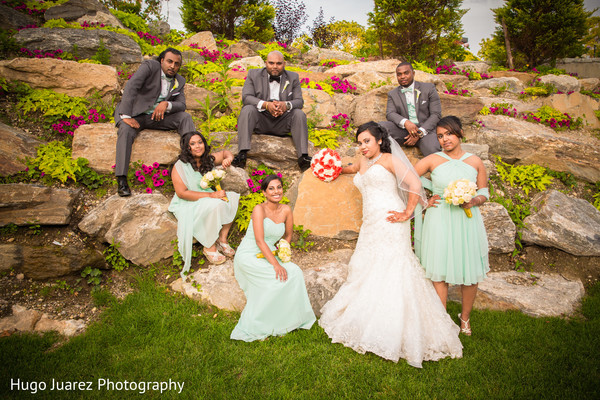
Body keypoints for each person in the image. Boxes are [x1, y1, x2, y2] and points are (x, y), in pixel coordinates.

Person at [319, 122, 462, 368]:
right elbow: (353, 168)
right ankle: (369, 320)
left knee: (394, 268)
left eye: (367, 141)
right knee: (369, 267)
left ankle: (395, 327)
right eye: (360, 142)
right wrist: (328, 167)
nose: (363, 146)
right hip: (371, 223)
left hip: (391, 221)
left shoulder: (389, 159)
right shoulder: (363, 161)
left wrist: (407, 213)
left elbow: (414, 185)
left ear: (379, 140)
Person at [414, 116, 489, 336]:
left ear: (459, 133)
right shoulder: (433, 159)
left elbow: (484, 192)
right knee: (439, 271)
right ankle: (441, 318)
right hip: (439, 217)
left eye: (448, 134)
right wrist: (426, 196)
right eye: (440, 136)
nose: (444, 139)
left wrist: (473, 200)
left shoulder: (474, 161)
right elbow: (408, 178)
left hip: (467, 219)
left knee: (471, 271)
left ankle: (464, 319)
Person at [231, 174, 316, 342]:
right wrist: (276, 264)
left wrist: (284, 247)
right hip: (249, 253)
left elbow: (288, 235)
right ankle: (261, 323)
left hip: (270, 252)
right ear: (264, 192)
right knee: (275, 275)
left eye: (279, 187)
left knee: (295, 272)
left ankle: (289, 320)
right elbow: (259, 240)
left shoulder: (286, 210)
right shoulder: (259, 209)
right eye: (271, 188)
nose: (276, 191)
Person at [114, 47, 195, 197]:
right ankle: (121, 179)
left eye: (177, 64)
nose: (173, 66)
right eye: (170, 61)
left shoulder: (179, 80)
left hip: (157, 118)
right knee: (125, 131)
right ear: (162, 60)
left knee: (185, 117)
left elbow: (182, 105)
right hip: (136, 114)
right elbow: (132, 87)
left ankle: (191, 161)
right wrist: (125, 115)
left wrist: (166, 104)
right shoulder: (150, 66)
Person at [168, 132, 240, 279]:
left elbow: (226, 152)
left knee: (231, 197)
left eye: (199, 142)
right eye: (192, 144)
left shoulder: (208, 159)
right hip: (188, 201)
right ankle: (209, 247)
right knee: (215, 205)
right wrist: (211, 195)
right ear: (186, 147)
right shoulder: (180, 166)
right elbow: (182, 193)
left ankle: (222, 239)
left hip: (208, 196)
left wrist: (228, 159)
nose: (197, 146)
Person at [232, 51, 311, 172]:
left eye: (279, 63)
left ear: (284, 64)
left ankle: (303, 158)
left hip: (283, 122)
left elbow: (299, 102)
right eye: (271, 63)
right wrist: (266, 105)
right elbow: (246, 97)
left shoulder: (293, 77)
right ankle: (242, 154)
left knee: (299, 114)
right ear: (265, 63)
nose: (275, 66)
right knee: (247, 109)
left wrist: (285, 105)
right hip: (261, 121)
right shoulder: (253, 74)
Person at [379, 61, 442, 157]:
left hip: (426, 131)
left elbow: (436, 114)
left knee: (433, 153)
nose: (402, 76)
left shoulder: (429, 88)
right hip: (404, 131)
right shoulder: (393, 94)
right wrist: (406, 122)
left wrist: (419, 133)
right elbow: (390, 113)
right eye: (399, 74)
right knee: (379, 128)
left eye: (406, 73)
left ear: (413, 73)